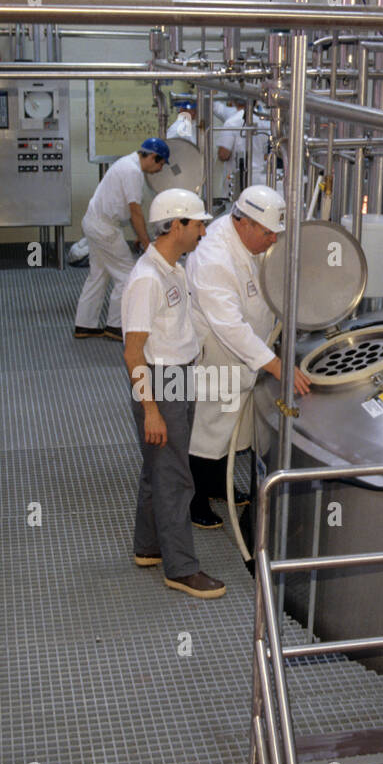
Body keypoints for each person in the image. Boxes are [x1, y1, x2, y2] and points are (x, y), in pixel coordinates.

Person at [186, 184, 311, 528]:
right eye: (268, 234)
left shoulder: (249, 240)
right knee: (209, 426)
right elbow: (229, 324)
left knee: (231, 425)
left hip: (246, 349)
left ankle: (215, 485)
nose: (273, 241)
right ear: (245, 223)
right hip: (218, 351)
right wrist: (274, 363)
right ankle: (193, 500)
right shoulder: (214, 257)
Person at [122, 188, 227, 599]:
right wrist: (151, 409)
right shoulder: (147, 280)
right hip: (160, 380)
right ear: (175, 225)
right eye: (197, 223)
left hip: (178, 374)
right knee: (176, 477)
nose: (203, 230)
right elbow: (132, 352)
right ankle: (181, 569)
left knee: (160, 468)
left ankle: (148, 547)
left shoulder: (174, 269)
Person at [74, 138, 168, 341]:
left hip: (94, 221)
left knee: (98, 275)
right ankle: (115, 326)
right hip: (104, 229)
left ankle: (85, 325)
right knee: (127, 275)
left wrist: (140, 235)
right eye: (160, 163)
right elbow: (135, 212)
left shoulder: (126, 163)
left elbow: (130, 210)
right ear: (152, 157)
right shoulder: (132, 172)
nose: (160, 169)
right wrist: (146, 243)